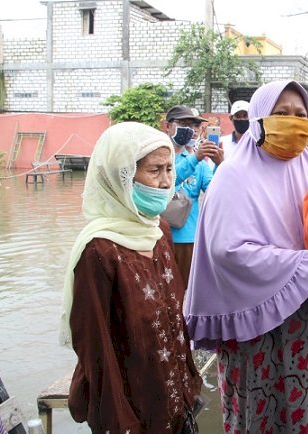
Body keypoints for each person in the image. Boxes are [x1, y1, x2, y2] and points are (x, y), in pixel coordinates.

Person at [183, 80, 308, 433]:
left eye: (300, 115)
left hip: (306, 324)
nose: (293, 121)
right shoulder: (234, 176)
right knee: (260, 415)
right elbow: (227, 250)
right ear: (258, 121)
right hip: (256, 327)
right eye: (281, 113)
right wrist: (307, 265)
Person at [59, 122, 203, 433]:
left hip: (175, 401)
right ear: (121, 176)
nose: (166, 182)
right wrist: (122, 422)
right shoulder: (99, 251)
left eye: (169, 169)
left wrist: (188, 382)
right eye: (154, 170)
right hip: (134, 412)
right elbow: (95, 350)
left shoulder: (158, 231)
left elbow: (174, 319)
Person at [165, 105, 222, 284]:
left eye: (195, 126)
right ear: (168, 126)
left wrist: (221, 165)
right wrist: (195, 157)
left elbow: (216, 193)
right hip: (157, 235)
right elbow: (167, 181)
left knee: (184, 291)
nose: (190, 130)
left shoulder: (202, 164)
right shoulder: (157, 154)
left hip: (188, 238)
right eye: (184, 124)